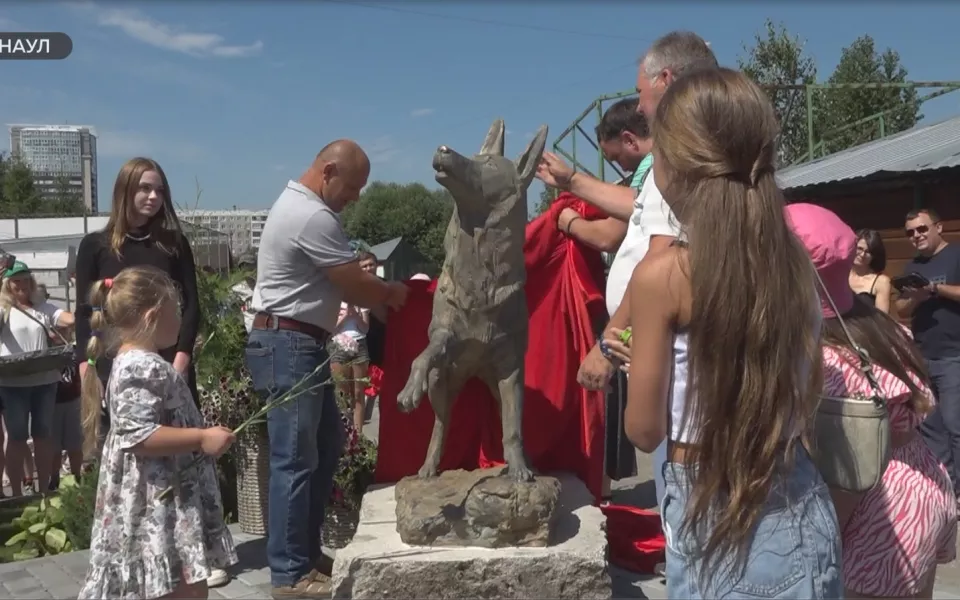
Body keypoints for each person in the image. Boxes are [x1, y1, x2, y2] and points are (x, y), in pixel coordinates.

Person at [609, 68, 841, 597]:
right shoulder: (794, 261)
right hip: (803, 499)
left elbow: (644, 432)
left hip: (718, 517)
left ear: (674, 164)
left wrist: (639, 365)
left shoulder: (665, 275)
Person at [536, 30, 717, 507]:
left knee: (683, 496)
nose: (639, 105)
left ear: (666, 78)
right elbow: (639, 211)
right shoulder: (720, 159)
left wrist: (607, 347)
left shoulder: (675, 161)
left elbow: (658, 262)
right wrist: (572, 181)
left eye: (640, 91)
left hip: (676, 364)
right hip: (700, 358)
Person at [246, 140, 409, 598]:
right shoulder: (312, 215)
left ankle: (304, 555)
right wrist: (392, 293)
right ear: (329, 170)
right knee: (295, 460)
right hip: (289, 343)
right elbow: (353, 281)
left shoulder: (303, 208)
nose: (354, 198)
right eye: (352, 187)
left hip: (299, 342)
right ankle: (290, 572)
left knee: (322, 448)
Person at [788, 202, 956, 598]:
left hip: (879, 514)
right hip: (922, 488)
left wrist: (821, 545)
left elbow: (848, 477)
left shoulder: (829, 358)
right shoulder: (875, 326)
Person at [73, 158, 227, 588]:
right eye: (144, 189)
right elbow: (86, 313)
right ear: (125, 191)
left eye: (159, 190)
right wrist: (89, 367)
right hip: (118, 362)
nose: (153, 197)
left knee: (179, 457)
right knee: (136, 464)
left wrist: (180, 359)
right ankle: (141, 550)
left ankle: (187, 549)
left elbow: (191, 304)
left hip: (171, 365)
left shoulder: (174, 243)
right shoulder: (97, 245)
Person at [77, 266, 237, 600]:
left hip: (163, 497)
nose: (181, 321)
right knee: (180, 588)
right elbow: (140, 437)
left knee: (186, 586)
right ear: (153, 316)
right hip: (158, 501)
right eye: (176, 312)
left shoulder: (133, 361)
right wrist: (201, 439)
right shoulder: (141, 366)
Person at [896, 207, 960, 510]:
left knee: (955, 425)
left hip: (953, 354)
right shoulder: (912, 265)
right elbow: (901, 309)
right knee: (929, 424)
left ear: (938, 227)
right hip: (922, 355)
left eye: (921, 229)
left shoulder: (956, 256)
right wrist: (915, 297)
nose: (916, 236)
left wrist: (935, 289)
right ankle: (944, 486)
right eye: (910, 232)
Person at [0, 260, 75, 496]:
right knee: (17, 437)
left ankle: (44, 490)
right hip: (12, 383)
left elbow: (69, 319)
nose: (21, 284)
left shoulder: (43, 307)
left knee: (43, 436)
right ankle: (19, 494)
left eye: (24, 279)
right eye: (15, 280)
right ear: (7, 284)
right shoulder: (3, 309)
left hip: (44, 381)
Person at [556, 97, 652, 255]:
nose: (623, 168)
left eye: (617, 158)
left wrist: (570, 221)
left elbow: (609, 236)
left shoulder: (651, 168)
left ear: (629, 140)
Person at [329, 251, 377, 433]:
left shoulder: (360, 296)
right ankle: (343, 433)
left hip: (359, 345)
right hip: (338, 345)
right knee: (342, 394)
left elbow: (365, 328)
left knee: (358, 394)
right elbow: (330, 328)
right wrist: (345, 316)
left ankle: (358, 436)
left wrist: (355, 313)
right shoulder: (334, 296)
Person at [849, 228, 892, 314]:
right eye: (859, 248)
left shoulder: (881, 282)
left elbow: (882, 319)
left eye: (868, 252)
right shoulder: (841, 274)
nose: (862, 255)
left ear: (874, 256)